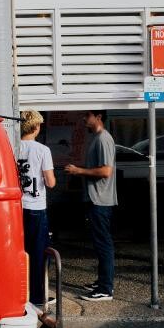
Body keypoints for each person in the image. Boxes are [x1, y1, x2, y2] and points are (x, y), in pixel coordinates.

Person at [64, 110, 117, 301]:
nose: (84, 118)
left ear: (99, 117)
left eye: (87, 115)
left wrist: (78, 171)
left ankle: (105, 289)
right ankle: (102, 281)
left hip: (100, 199)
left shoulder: (103, 139)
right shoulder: (96, 138)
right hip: (95, 198)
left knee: (104, 243)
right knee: (99, 242)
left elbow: (106, 171)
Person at [18, 109, 55, 309]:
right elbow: (50, 182)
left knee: (20, 251)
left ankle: (20, 293)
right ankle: (38, 296)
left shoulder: (13, 147)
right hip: (36, 208)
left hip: (17, 208)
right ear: (36, 127)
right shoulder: (42, 150)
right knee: (39, 253)